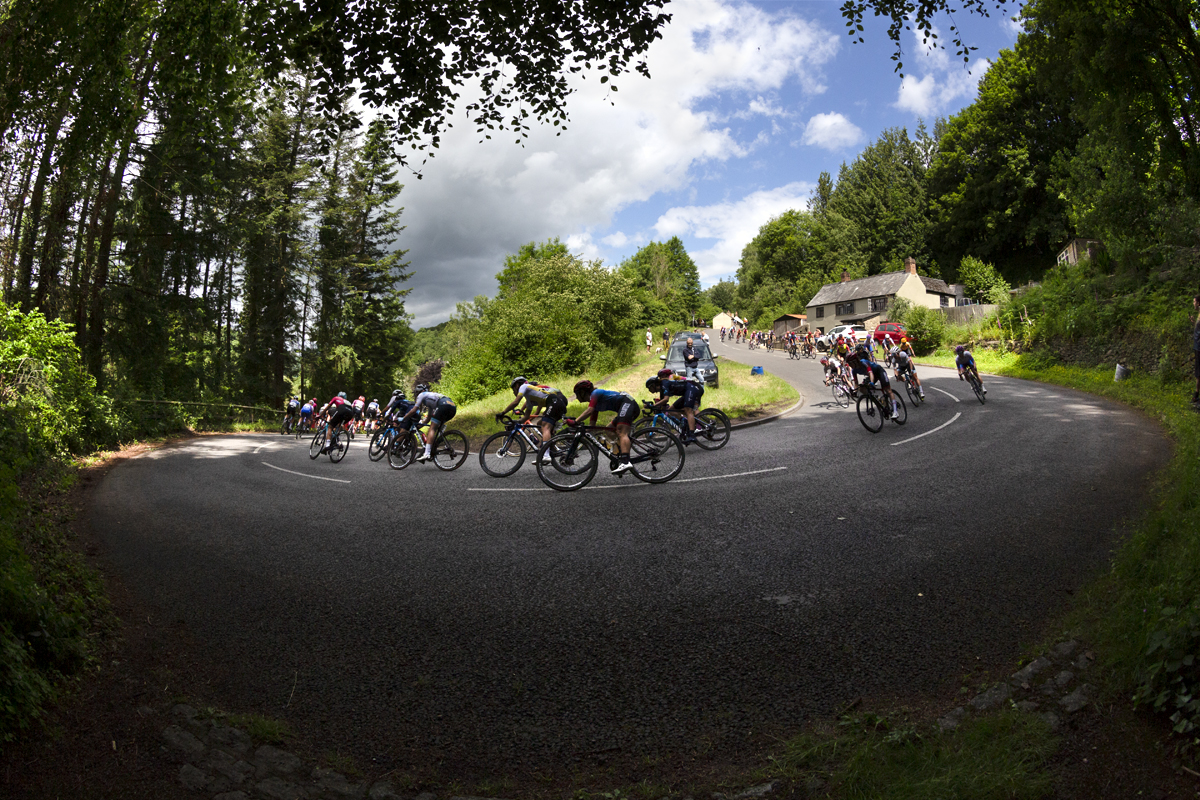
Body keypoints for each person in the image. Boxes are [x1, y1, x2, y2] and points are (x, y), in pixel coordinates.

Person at [567, 379, 639, 475]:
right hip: (626, 406)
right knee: (608, 430)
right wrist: (584, 430)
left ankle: (625, 461)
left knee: (622, 432)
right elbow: (592, 424)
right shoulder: (595, 402)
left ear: (583, 392)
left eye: (577, 394)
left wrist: (575, 421)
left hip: (628, 403)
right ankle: (621, 451)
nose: (576, 397)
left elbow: (589, 411)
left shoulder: (595, 393)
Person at [496, 376, 568, 460]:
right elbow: (526, 417)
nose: (513, 392)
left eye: (513, 390)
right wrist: (515, 422)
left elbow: (516, 402)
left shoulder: (524, 386)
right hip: (555, 403)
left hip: (554, 401)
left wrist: (503, 413)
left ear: (516, 386)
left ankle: (546, 455)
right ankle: (553, 450)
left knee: (545, 426)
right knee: (540, 424)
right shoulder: (529, 400)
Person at [401, 383, 458, 463]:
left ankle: (427, 453)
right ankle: (440, 446)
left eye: (417, 393)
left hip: (443, 405)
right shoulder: (430, 400)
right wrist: (419, 427)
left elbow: (414, 410)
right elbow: (428, 418)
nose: (417, 395)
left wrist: (403, 418)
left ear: (420, 391)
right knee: (436, 428)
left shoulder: (422, 395)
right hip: (452, 406)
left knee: (432, 428)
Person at [647, 368, 703, 442]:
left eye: (649, 388)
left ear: (653, 385)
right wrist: (651, 407)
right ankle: (684, 422)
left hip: (691, 388)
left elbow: (666, 399)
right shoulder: (662, 389)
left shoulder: (664, 383)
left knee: (688, 410)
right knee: (671, 410)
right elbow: (662, 405)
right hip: (686, 392)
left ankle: (692, 435)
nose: (649, 390)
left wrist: (654, 405)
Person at [846, 345, 898, 416]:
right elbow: (856, 383)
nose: (849, 365)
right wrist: (855, 390)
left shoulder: (864, 362)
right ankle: (876, 398)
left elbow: (870, 373)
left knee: (888, 390)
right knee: (861, 388)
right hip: (872, 375)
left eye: (850, 363)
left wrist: (871, 382)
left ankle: (895, 411)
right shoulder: (854, 370)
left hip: (879, 372)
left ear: (855, 361)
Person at [1193, 295, 1200, 404]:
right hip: (1197, 346)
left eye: (1194, 302)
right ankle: (1196, 396)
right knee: (1198, 372)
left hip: (1199, 346)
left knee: (1199, 373)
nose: (1193, 304)